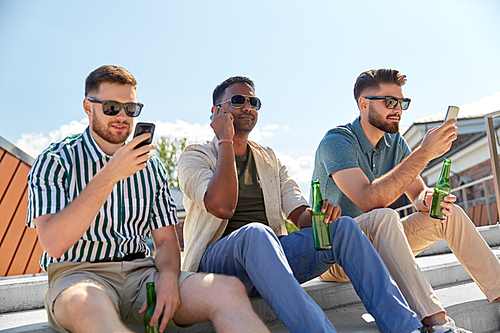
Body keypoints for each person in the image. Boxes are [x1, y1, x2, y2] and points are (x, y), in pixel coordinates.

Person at [26, 65, 269, 333]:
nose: (122, 116)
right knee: (89, 305)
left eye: (131, 109)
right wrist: (109, 175)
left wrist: (167, 279)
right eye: (110, 107)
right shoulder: (55, 161)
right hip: (78, 275)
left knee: (228, 290)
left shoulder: (151, 167)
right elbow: (53, 243)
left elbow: (165, 240)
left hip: (143, 274)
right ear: (88, 107)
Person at [178, 76, 428, 333]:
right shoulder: (195, 156)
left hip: (271, 258)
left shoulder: (269, 159)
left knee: (343, 227)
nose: (248, 107)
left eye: (254, 102)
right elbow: (222, 207)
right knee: (257, 232)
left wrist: (321, 214)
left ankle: (406, 327)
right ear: (216, 111)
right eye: (238, 100)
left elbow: (298, 214)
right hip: (217, 267)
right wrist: (225, 140)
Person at [312, 68, 499, 332]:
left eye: (402, 102)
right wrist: (424, 152)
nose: (398, 109)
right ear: (363, 104)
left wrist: (428, 198)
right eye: (390, 102)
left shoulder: (395, 143)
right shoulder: (338, 141)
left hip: (378, 242)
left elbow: (417, 193)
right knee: (384, 215)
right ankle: (437, 323)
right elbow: (369, 200)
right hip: (335, 254)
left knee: (448, 213)